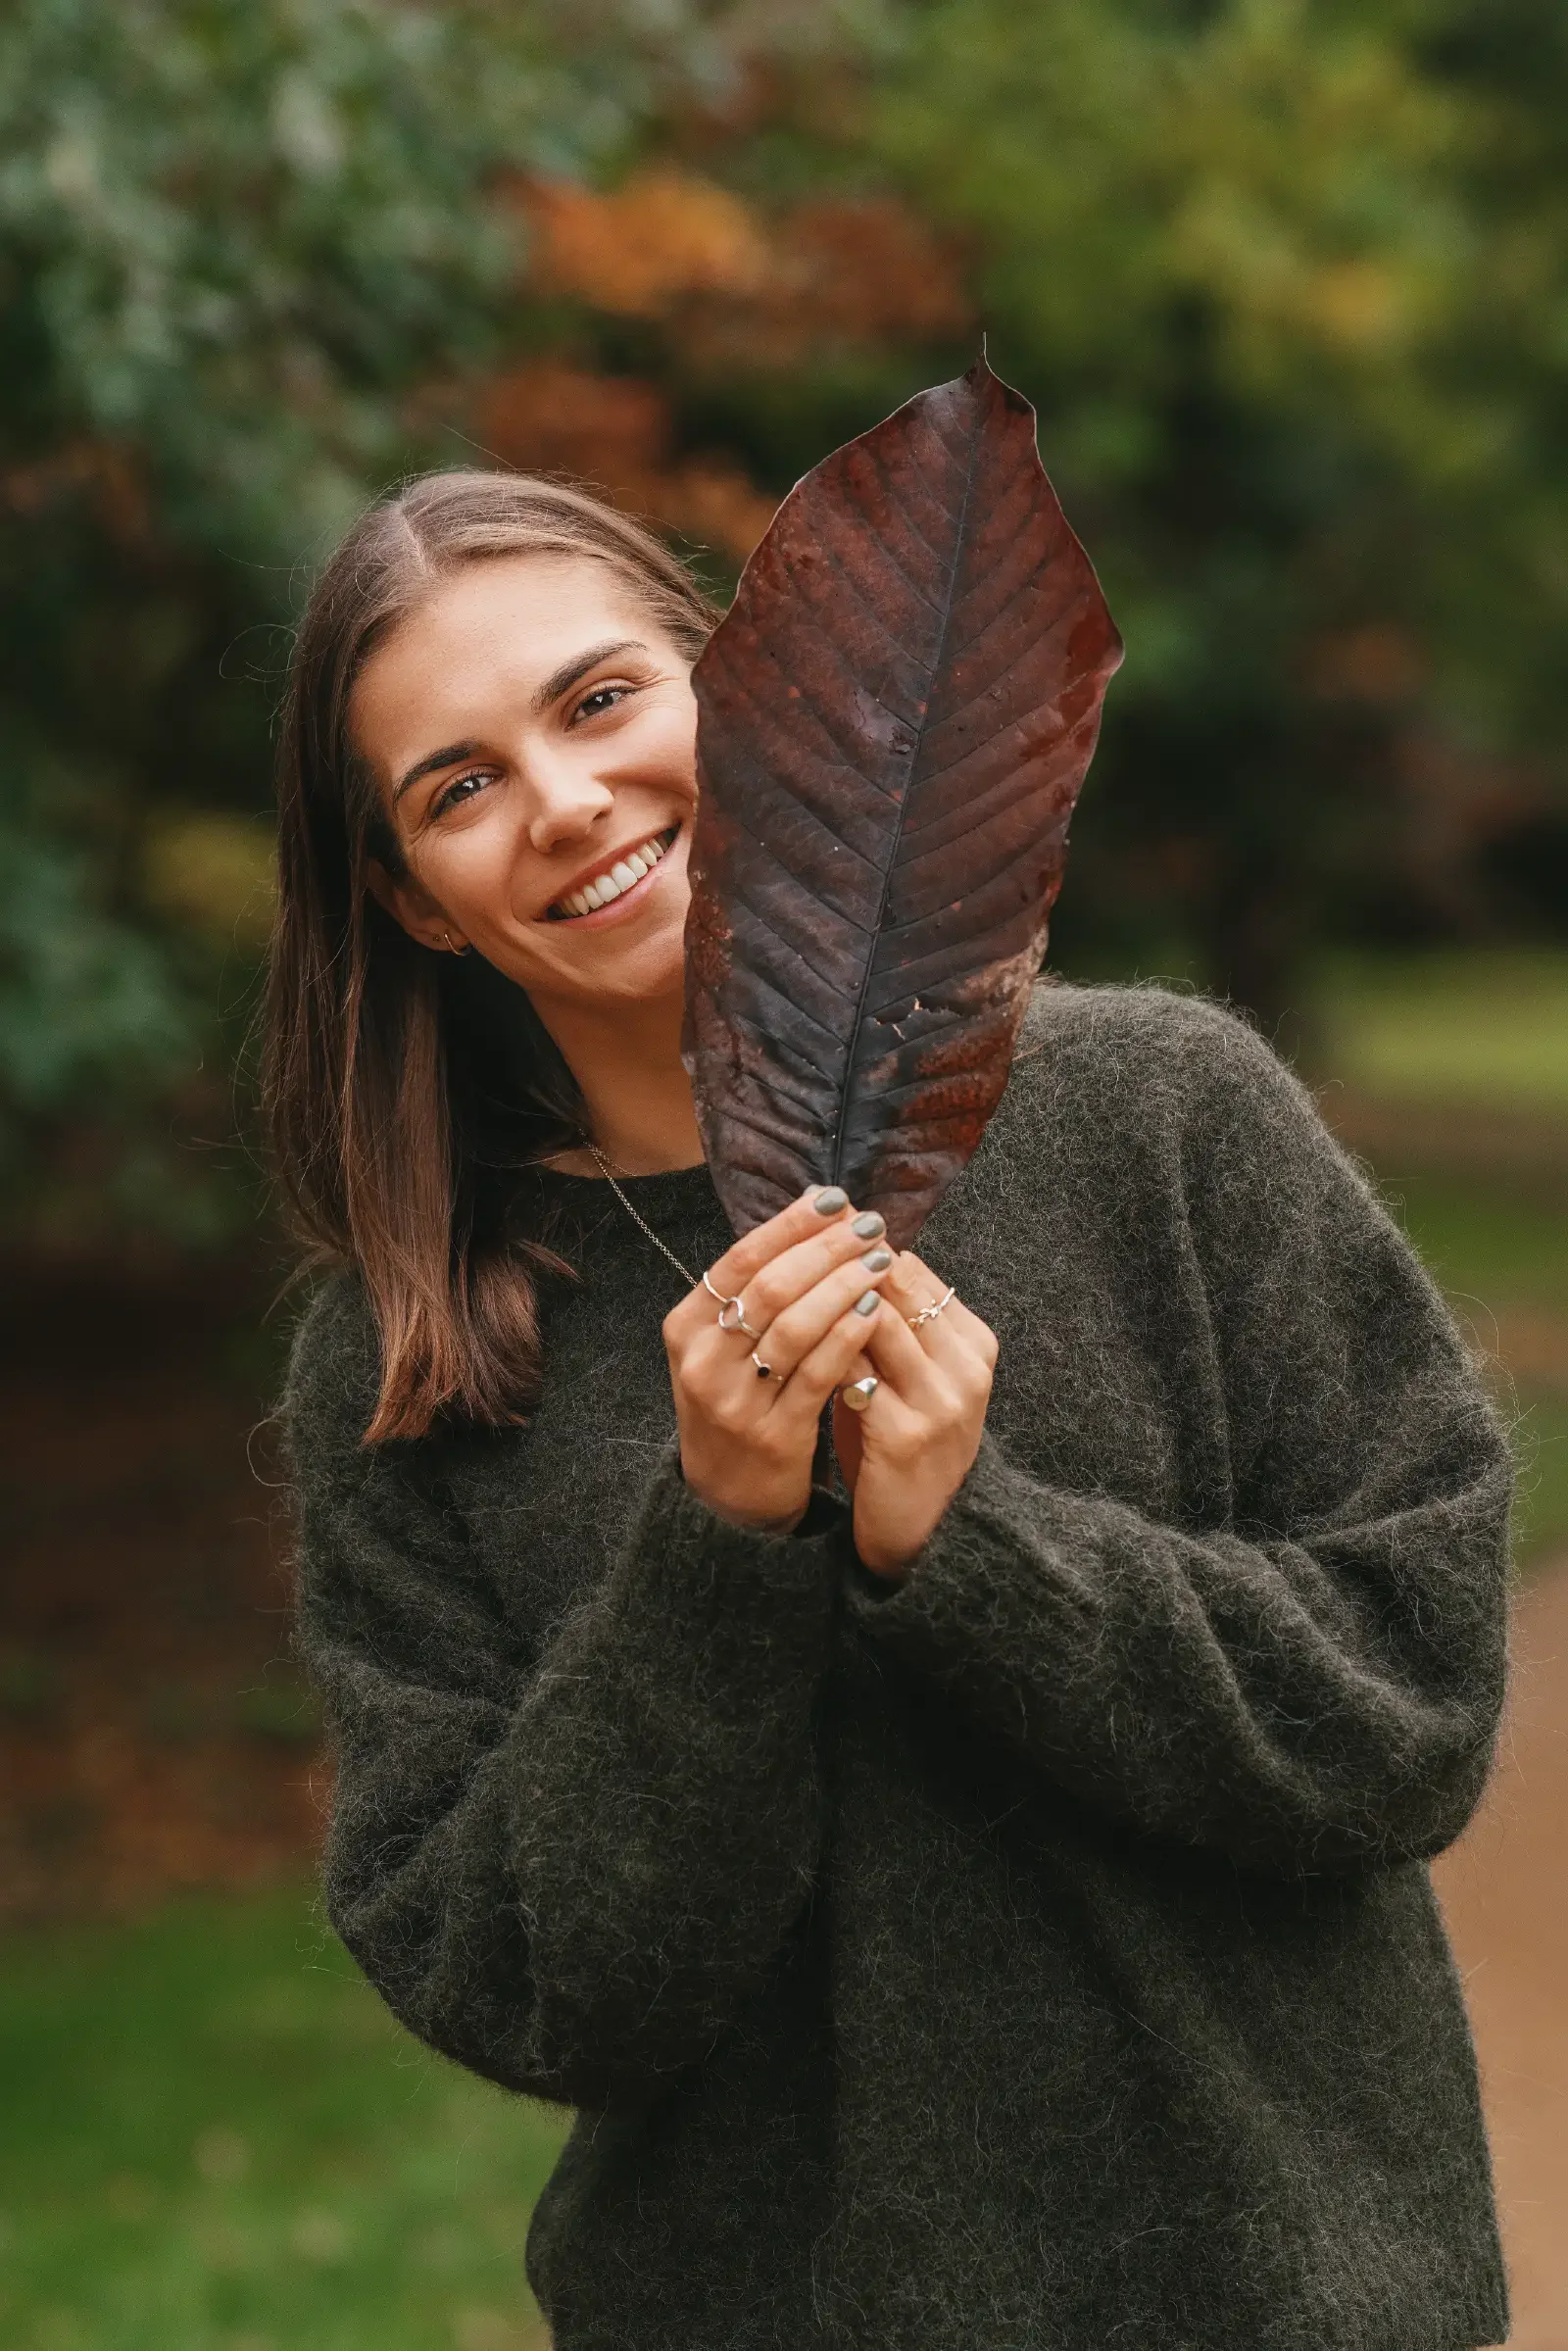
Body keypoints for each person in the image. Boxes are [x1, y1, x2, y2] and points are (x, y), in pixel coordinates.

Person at [270, 467, 1513, 2351]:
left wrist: (979, 1549)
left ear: (747, 690)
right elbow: (527, 1984)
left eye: (600, 699)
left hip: (1274, 2292)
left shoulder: (1158, 1116)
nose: (566, 801)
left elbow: (1408, 1709)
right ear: (412, 901)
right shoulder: (416, 1366)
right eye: (459, 784)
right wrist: (720, 1545)